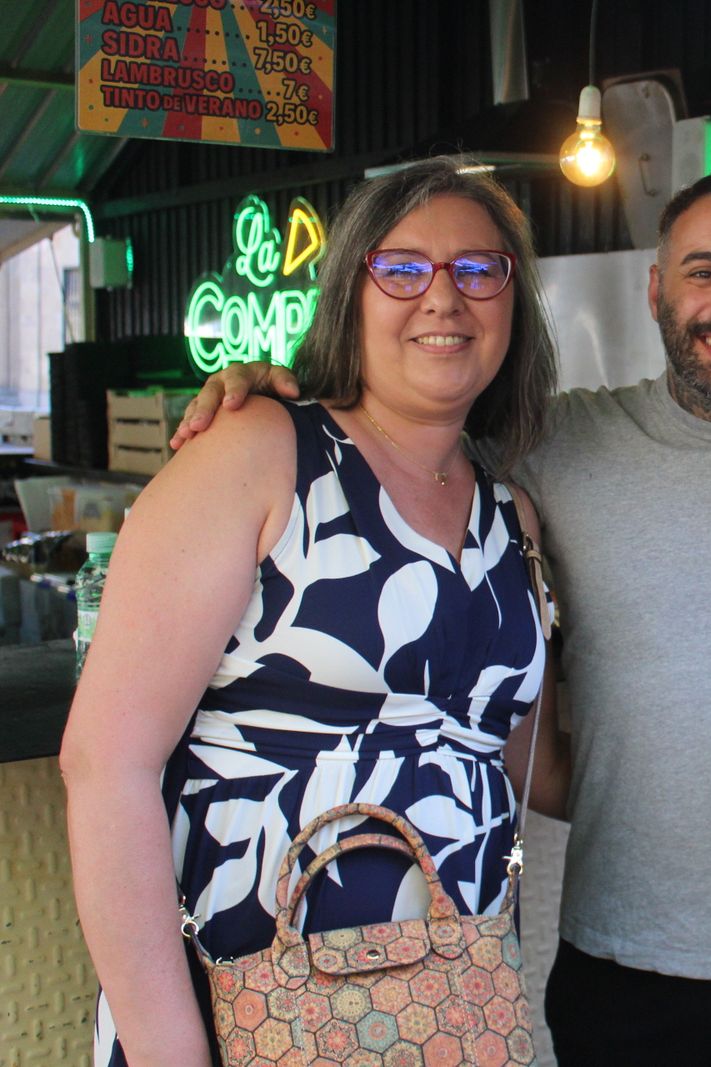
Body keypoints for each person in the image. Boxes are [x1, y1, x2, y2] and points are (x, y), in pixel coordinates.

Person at [172, 169, 711, 1067]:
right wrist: (276, 391)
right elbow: (388, 428)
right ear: (655, 288)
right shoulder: (550, 444)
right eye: (702, 271)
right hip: (619, 959)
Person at [61, 159, 564, 1067]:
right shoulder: (259, 453)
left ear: (514, 302)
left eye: (479, 270)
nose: (443, 298)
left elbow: (536, 767)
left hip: (444, 1009)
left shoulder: (510, 515)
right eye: (402, 268)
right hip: (249, 998)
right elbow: (106, 765)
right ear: (348, 296)